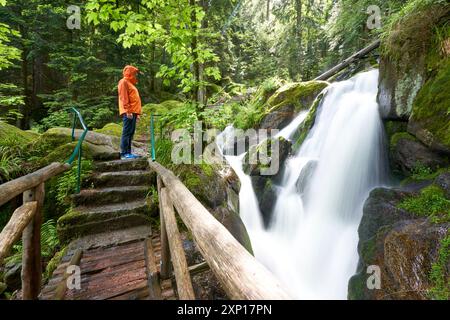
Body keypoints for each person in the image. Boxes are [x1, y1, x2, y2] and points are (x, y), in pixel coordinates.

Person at [118, 65, 142, 160]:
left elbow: (134, 98)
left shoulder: (130, 83)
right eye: (134, 73)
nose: (135, 75)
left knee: (130, 132)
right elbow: (124, 97)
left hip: (133, 112)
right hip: (128, 111)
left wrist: (137, 113)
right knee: (126, 132)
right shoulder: (123, 82)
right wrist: (128, 110)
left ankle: (128, 153)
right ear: (130, 73)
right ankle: (124, 154)